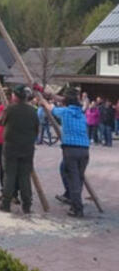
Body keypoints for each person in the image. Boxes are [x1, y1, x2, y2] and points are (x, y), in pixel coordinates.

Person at [42, 87, 89, 217]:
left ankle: (77, 208)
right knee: (74, 175)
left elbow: (50, 108)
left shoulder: (65, 112)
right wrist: (51, 95)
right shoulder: (81, 112)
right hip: (84, 150)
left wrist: (43, 101)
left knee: (73, 179)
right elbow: (65, 100)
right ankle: (72, 197)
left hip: (71, 149)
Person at [0, 85, 39, 214]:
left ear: (15, 96)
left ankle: (6, 203)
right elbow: (37, 129)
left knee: (9, 175)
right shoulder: (33, 111)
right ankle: (27, 205)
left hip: (11, 147)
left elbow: (0, 122)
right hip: (27, 148)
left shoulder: (10, 109)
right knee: (25, 177)